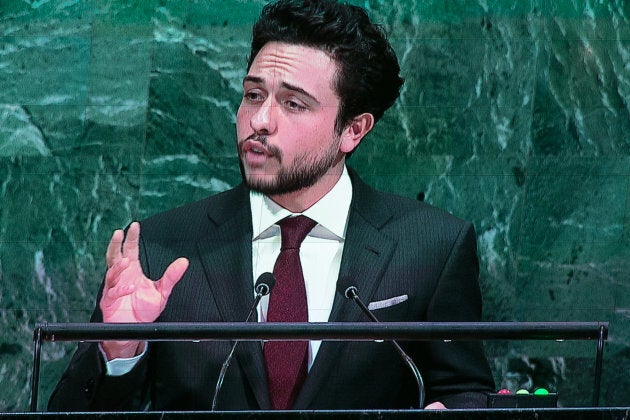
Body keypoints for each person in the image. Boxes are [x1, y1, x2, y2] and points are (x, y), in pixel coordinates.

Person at [48, 0, 495, 412]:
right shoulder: (161, 250)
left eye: (293, 103)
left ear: (353, 131)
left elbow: (464, 390)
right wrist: (119, 351)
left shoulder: (431, 247)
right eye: (254, 95)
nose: (259, 121)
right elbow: (67, 413)